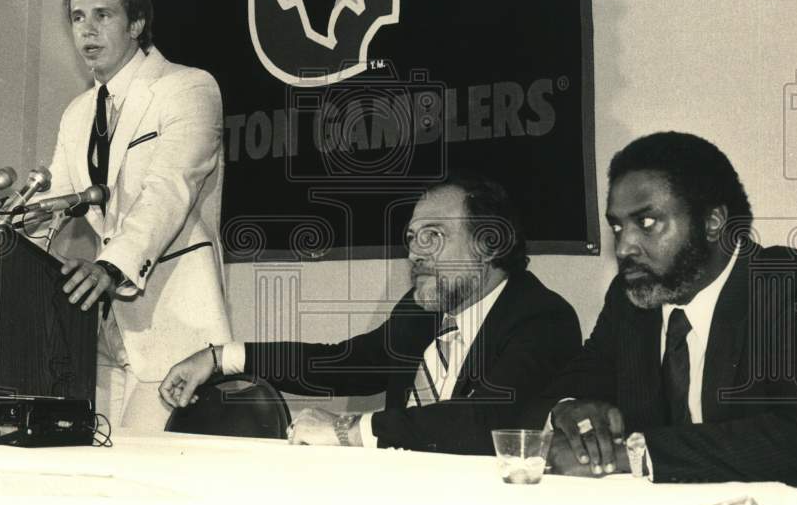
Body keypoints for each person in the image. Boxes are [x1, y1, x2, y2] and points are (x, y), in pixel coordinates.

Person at [160, 172, 581, 453]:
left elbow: (484, 421)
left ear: (488, 244)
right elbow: (341, 362)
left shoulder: (542, 320)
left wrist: (349, 431)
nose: (415, 252)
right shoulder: (419, 313)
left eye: (434, 235)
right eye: (412, 238)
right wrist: (220, 357)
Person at [532, 131, 797, 488]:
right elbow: (563, 388)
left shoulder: (795, 285)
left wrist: (635, 456)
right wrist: (567, 407)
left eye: (647, 222)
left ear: (713, 222)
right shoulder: (630, 299)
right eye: (617, 226)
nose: (624, 247)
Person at [45, 0, 231, 430]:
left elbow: (169, 189)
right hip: (102, 333)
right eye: (77, 17)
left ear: (137, 23)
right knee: (93, 469)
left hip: (174, 329)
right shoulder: (76, 114)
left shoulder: (187, 87)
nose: (87, 29)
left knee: (139, 468)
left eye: (102, 14)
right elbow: (55, 202)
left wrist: (110, 266)